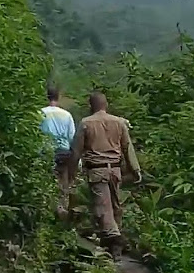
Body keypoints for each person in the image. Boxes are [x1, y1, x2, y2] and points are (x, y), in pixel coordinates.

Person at [69, 91, 141, 259]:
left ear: (91, 106)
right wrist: (135, 170)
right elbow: (127, 148)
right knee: (115, 207)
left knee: (103, 209)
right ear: (106, 104)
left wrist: (71, 172)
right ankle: (116, 249)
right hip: (115, 170)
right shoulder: (119, 123)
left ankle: (115, 241)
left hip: (97, 170)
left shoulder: (86, 123)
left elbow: (76, 151)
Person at [40, 87, 76, 217]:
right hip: (63, 151)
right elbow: (71, 135)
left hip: (46, 151)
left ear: (47, 97)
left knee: (46, 178)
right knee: (63, 179)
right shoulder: (66, 115)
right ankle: (62, 207)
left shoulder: (41, 113)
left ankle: (46, 207)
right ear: (58, 97)